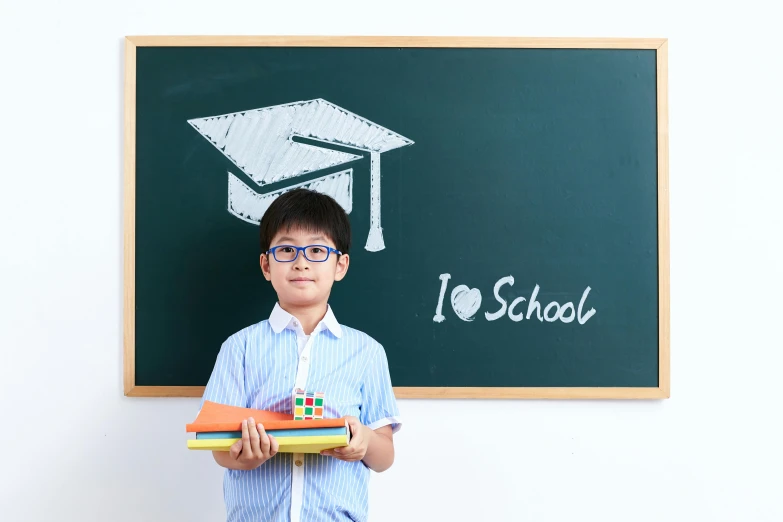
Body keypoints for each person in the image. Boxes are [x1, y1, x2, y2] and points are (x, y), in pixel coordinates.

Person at [200, 188, 401, 522]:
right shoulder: (239, 348)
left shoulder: (366, 352)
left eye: (318, 250)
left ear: (341, 265)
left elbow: (385, 455)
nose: (301, 261)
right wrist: (244, 456)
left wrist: (363, 440)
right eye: (287, 249)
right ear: (266, 265)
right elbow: (219, 447)